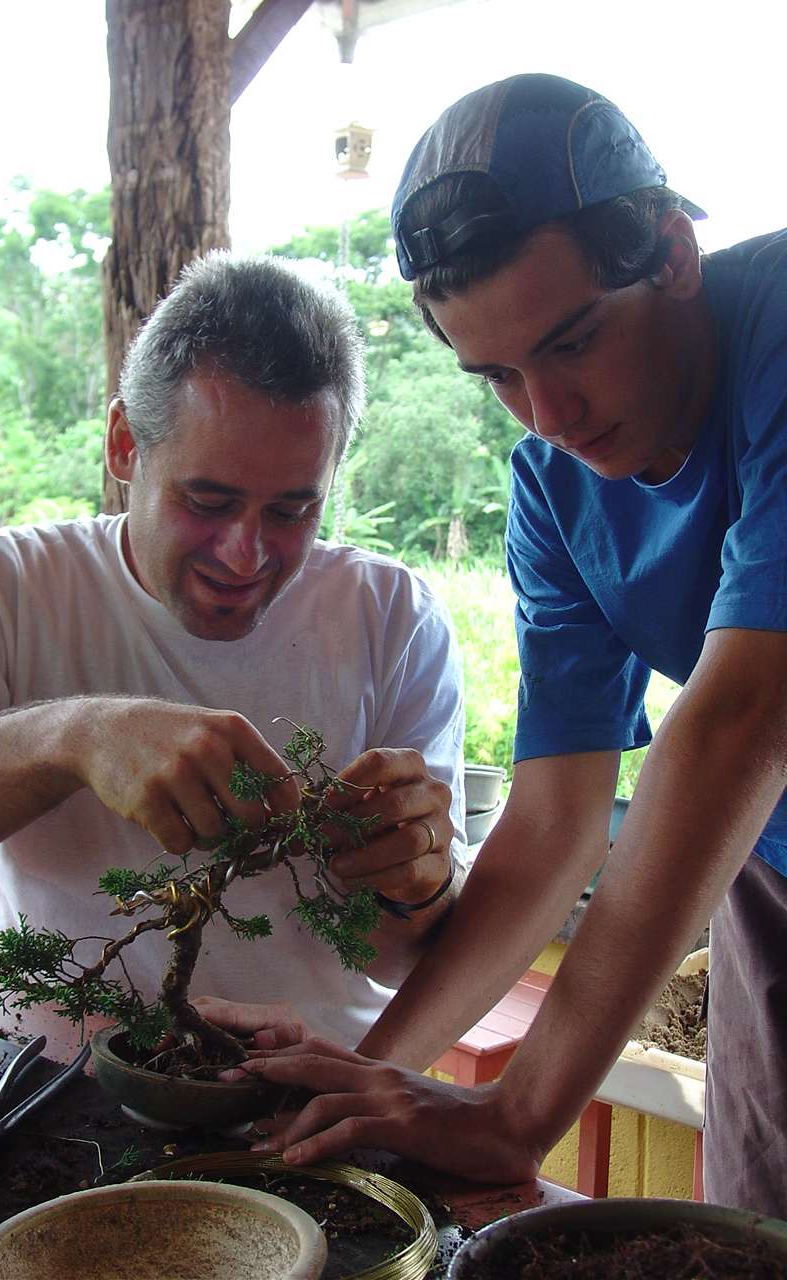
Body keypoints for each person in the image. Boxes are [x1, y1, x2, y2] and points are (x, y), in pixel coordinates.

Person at [220, 74, 787, 1218]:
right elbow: (553, 821)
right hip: (770, 870)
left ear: (671, 252)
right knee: (750, 1227)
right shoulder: (555, 487)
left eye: (573, 340)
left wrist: (519, 1113)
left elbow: (738, 720)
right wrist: (375, 1082)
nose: (551, 413)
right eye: (498, 378)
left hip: (750, 780)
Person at [0, 251, 468, 1048]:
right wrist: (70, 739)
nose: (245, 554)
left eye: (292, 512)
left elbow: (406, 956)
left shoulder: (390, 617)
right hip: (49, 1099)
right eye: (208, 500)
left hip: (311, 1112)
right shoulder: (6, 590)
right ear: (125, 445)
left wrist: (414, 881)